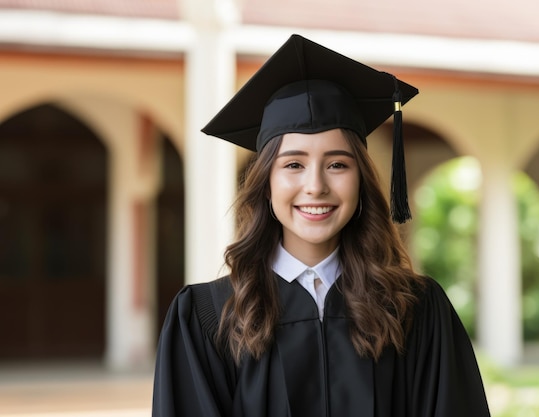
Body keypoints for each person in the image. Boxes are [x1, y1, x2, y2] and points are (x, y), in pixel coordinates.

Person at [152, 34, 491, 417]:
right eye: (293, 164)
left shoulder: (416, 310)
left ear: (361, 180)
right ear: (266, 184)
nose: (315, 186)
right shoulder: (208, 317)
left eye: (337, 164)